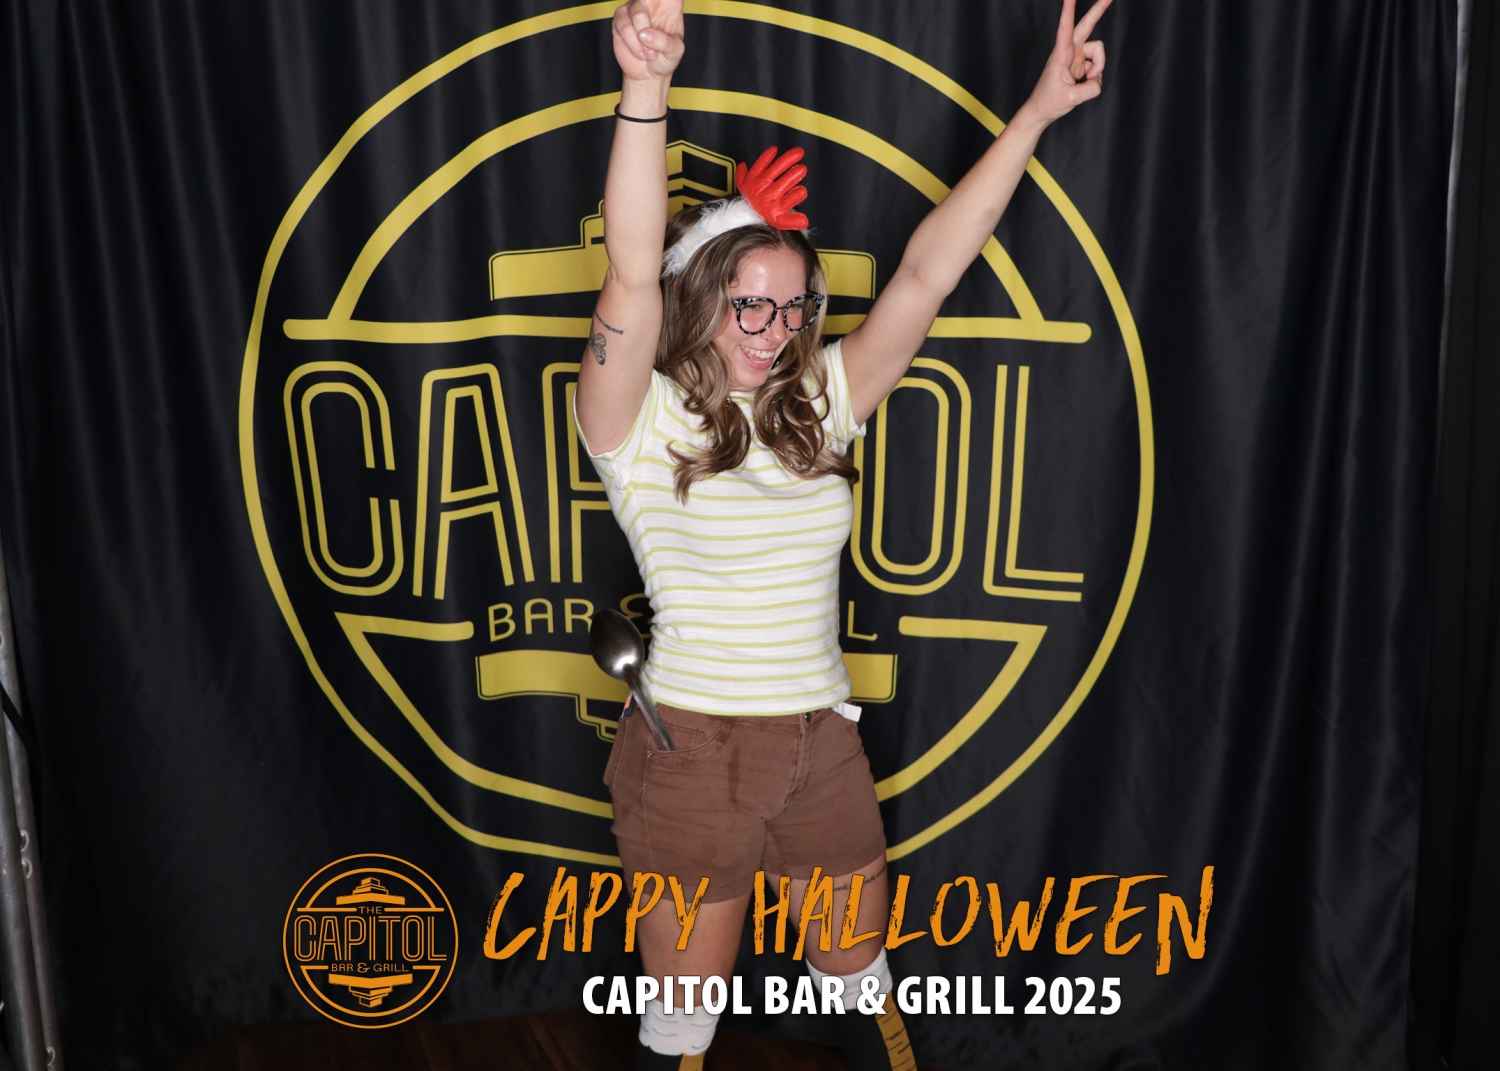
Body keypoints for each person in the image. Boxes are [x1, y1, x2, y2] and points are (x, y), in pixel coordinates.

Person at [574, 1, 1113, 1067]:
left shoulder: (820, 400)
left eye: (791, 308)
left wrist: (1039, 113)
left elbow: (927, 275)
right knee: (685, 1024)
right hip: (690, 754)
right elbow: (631, 272)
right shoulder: (633, 418)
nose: (773, 333)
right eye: (749, 306)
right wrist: (645, 90)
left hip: (820, 743)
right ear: (702, 298)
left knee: (861, 976)